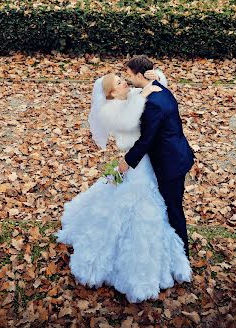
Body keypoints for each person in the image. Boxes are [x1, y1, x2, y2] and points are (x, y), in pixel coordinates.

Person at [55, 62, 192, 303]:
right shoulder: (110, 111)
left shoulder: (134, 95)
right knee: (138, 210)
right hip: (135, 162)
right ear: (111, 93)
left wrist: (155, 78)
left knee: (160, 207)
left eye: (124, 77)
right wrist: (145, 93)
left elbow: (156, 88)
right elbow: (130, 121)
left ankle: (170, 252)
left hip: (146, 161)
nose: (124, 82)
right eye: (119, 82)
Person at [119, 55, 195, 258]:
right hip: (177, 153)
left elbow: (147, 140)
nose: (127, 78)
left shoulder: (153, 103)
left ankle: (181, 257)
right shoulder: (158, 88)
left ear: (140, 75)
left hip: (170, 163)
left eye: (128, 74)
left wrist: (127, 161)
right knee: (166, 205)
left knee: (174, 209)